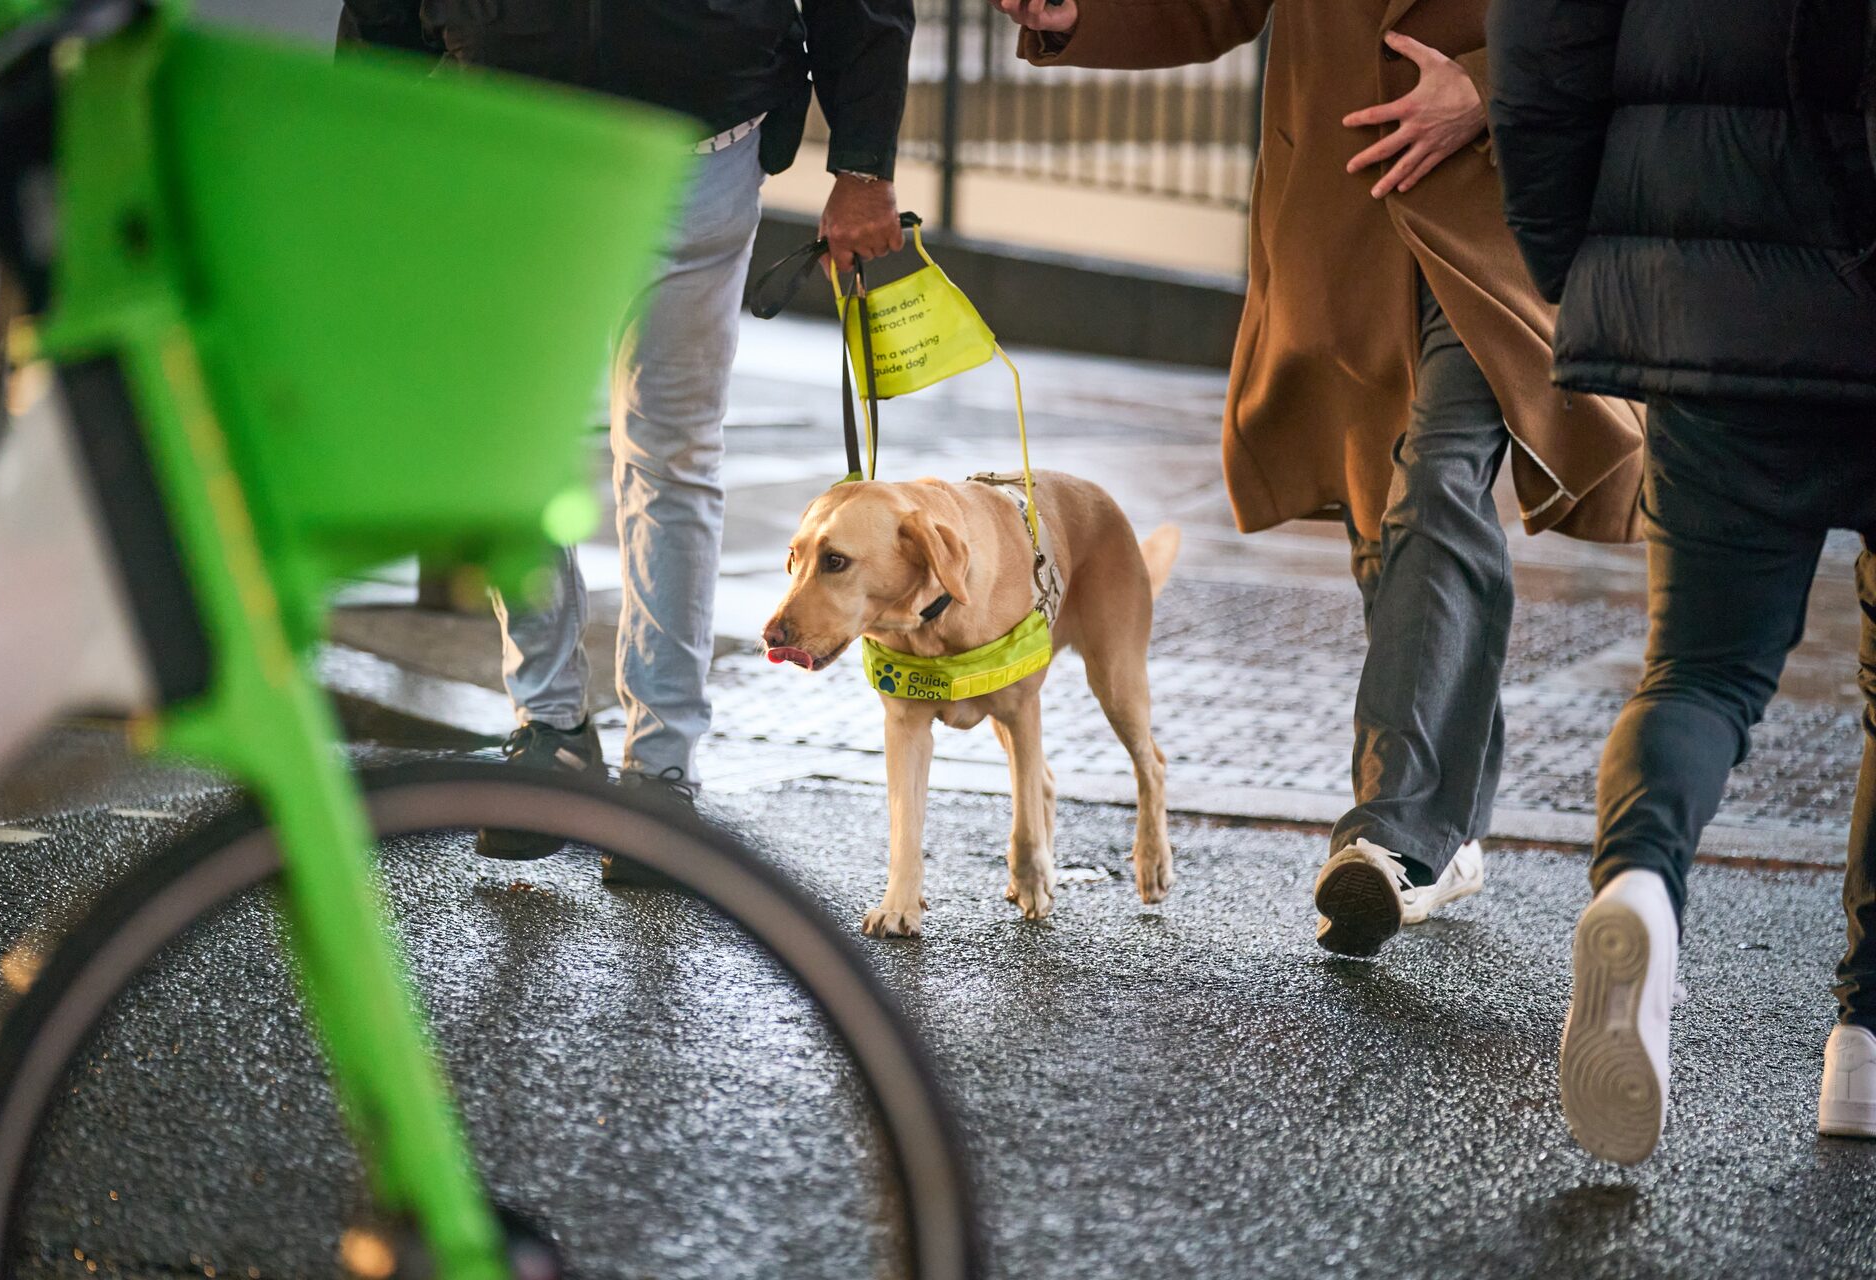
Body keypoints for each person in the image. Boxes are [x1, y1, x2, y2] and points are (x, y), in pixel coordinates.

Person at [993, 0, 1645, 956]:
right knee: (1392, 534)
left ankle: (1393, 835)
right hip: (1345, 216)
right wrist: (1079, 13)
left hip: (1502, 211)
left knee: (1437, 485)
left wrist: (1488, 91)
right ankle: (1448, 824)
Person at [338, 0, 914, 866]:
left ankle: (661, 773)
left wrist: (864, 164)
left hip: (696, 155)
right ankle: (550, 730)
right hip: (500, 138)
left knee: (670, 454)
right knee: (508, 447)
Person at [1490, 0, 1876, 1165]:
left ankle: (1642, 887)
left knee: (1701, 673)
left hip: (1709, 287)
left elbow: (1542, 55)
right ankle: (1864, 1040)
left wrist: (1591, 261)